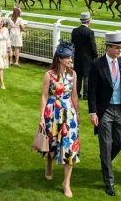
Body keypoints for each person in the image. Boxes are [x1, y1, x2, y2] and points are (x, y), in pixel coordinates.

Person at [88, 31, 121, 197]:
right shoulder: (96, 64)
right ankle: (109, 182)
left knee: (120, 142)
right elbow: (91, 91)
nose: (119, 50)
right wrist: (92, 112)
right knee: (106, 145)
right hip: (104, 111)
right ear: (108, 48)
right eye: (116, 47)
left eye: (120, 47)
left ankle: (105, 162)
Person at [38, 40, 80, 198]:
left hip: (69, 114)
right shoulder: (49, 75)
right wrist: (41, 117)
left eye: (71, 57)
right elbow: (44, 96)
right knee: (52, 143)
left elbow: (74, 95)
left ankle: (66, 183)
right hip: (52, 112)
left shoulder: (73, 74)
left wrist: (78, 113)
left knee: (69, 146)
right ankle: (49, 165)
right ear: (60, 58)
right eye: (68, 57)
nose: (70, 60)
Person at [71, 11, 97, 100]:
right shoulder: (90, 32)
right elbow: (92, 45)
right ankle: (86, 94)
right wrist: (95, 55)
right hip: (88, 57)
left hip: (77, 56)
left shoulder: (75, 31)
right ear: (88, 21)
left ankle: (77, 92)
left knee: (78, 75)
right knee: (87, 75)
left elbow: (72, 44)